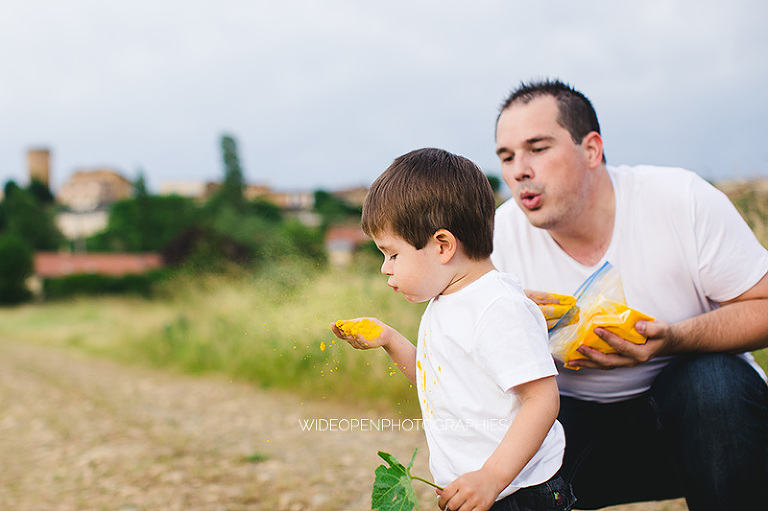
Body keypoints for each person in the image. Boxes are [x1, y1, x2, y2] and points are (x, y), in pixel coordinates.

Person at [491, 79, 768, 510]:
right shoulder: (496, 238)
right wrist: (507, 325)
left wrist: (673, 339)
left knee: (715, 382)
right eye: (506, 157)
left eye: (538, 148)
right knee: (504, 436)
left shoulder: (681, 199)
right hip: (571, 431)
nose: (519, 170)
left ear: (592, 150)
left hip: (695, 425)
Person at [331, 148, 575, 511]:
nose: (385, 268)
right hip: (478, 488)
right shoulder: (443, 302)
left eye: (392, 254)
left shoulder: (497, 307)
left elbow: (542, 400)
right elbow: (439, 383)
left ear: (443, 245)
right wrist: (391, 340)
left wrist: (492, 476)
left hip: (520, 492)